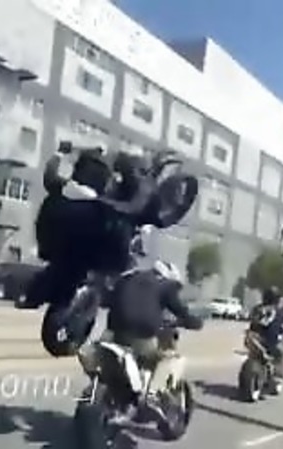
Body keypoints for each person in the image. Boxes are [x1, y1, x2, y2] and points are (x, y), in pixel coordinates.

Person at [28, 145, 154, 308]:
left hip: (57, 246)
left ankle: (37, 294)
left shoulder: (64, 189)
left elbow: (49, 177)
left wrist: (59, 154)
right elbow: (132, 209)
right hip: (87, 252)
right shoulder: (102, 202)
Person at [104, 260, 203, 402]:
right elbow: (179, 310)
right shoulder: (165, 285)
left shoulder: (127, 279)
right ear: (168, 277)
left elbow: (108, 301)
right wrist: (195, 322)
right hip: (143, 335)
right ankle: (153, 394)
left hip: (116, 335)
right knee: (169, 359)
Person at [248, 286, 283, 384]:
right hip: (271, 342)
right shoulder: (280, 311)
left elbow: (251, 320)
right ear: (277, 299)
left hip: (253, 339)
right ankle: (277, 378)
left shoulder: (256, 309)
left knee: (252, 353)